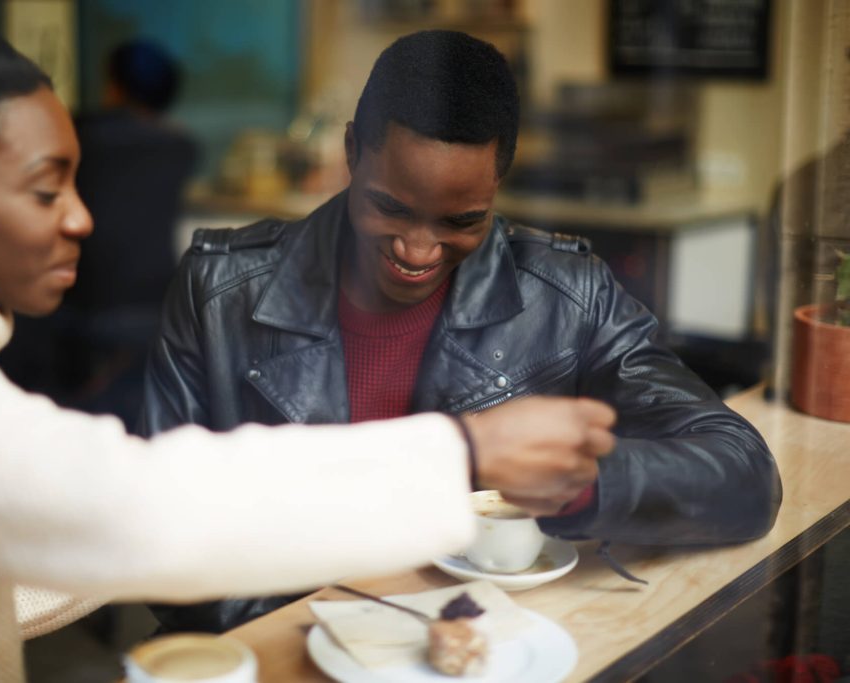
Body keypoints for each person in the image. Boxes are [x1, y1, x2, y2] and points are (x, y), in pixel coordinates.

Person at [0, 24, 619, 681]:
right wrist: (465, 450)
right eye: (45, 190)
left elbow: (11, 541)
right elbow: (136, 506)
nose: (82, 221)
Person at [139, 30, 783, 632]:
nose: (418, 250)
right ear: (350, 153)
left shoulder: (566, 295)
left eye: (460, 221)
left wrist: (581, 483)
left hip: (486, 647)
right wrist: (336, 631)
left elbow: (746, 477)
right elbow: (157, 536)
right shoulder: (219, 293)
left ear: (497, 183)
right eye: (389, 206)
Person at [0, 40, 199, 427]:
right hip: (156, 308)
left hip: (82, 309)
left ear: (113, 86)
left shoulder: (78, 138)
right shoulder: (182, 148)